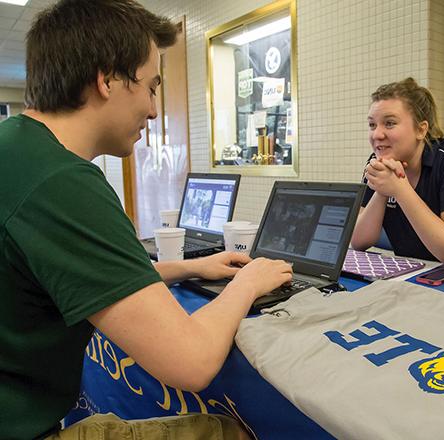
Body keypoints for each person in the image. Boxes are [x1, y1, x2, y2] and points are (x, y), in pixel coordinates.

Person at [0, 1, 292, 439]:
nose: (154, 110)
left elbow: (73, 276)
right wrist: (248, 283)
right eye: (151, 87)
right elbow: (190, 362)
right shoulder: (63, 181)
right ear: (107, 79)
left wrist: (189, 267)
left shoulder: (15, 146)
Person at [351, 78, 444, 269]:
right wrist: (382, 190)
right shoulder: (378, 162)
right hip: (410, 273)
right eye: (372, 125)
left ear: (421, 130)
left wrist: (399, 189)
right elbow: (358, 241)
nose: (377, 135)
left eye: (389, 123)